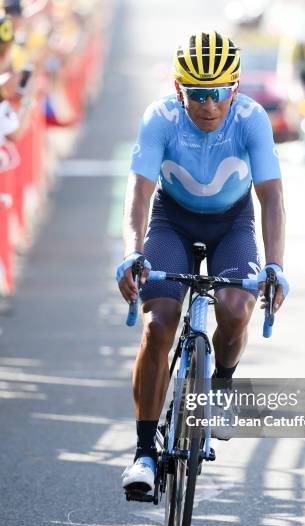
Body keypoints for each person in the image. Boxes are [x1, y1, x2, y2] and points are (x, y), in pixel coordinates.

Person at [116, 32, 288, 497]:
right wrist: (132, 252)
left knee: (235, 309)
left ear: (234, 90)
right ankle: (144, 454)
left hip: (232, 224)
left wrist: (275, 266)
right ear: (179, 90)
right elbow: (139, 192)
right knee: (158, 325)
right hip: (171, 220)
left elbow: (271, 197)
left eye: (218, 94)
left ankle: (221, 387)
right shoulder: (160, 119)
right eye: (196, 93)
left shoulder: (251, 119)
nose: (208, 105)